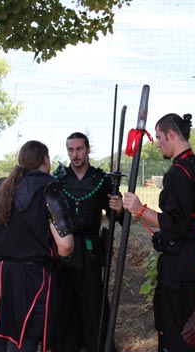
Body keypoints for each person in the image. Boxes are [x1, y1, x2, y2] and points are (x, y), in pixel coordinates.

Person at [123, 113, 195, 352]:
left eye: (159, 137)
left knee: (174, 329)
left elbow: (174, 224)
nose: (158, 143)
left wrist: (140, 209)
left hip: (180, 263)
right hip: (192, 254)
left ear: (171, 135)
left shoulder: (179, 172)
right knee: (182, 323)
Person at [0, 140, 74, 352]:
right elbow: (65, 245)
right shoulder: (50, 188)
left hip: (1, 274)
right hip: (32, 279)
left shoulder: (1, 186)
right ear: (45, 159)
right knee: (24, 340)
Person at [51, 132, 123, 352]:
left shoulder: (101, 180)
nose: (75, 154)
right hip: (64, 253)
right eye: (71, 150)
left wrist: (119, 209)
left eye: (79, 149)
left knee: (93, 305)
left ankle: (97, 347)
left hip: (91, 254)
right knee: (65, 304)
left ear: (88, 150)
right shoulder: (59, 180)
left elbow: (116, 216)